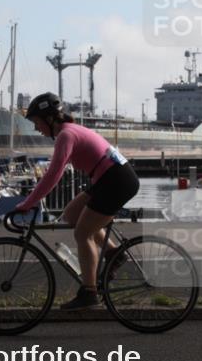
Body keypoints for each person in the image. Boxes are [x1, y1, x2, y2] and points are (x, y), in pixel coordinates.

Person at [14, 92, 140, 309]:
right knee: (72, 214)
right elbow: (56, 173)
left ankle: (89, 293)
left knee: (82, 233)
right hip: (109, 177)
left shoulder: (66, 135)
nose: (36, 128)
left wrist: (27, 203)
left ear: (49, 118)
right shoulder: (69, 131)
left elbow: (53, 175)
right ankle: (113, 254)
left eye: (36, 122)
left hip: (116, 180)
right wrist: (31, 201)